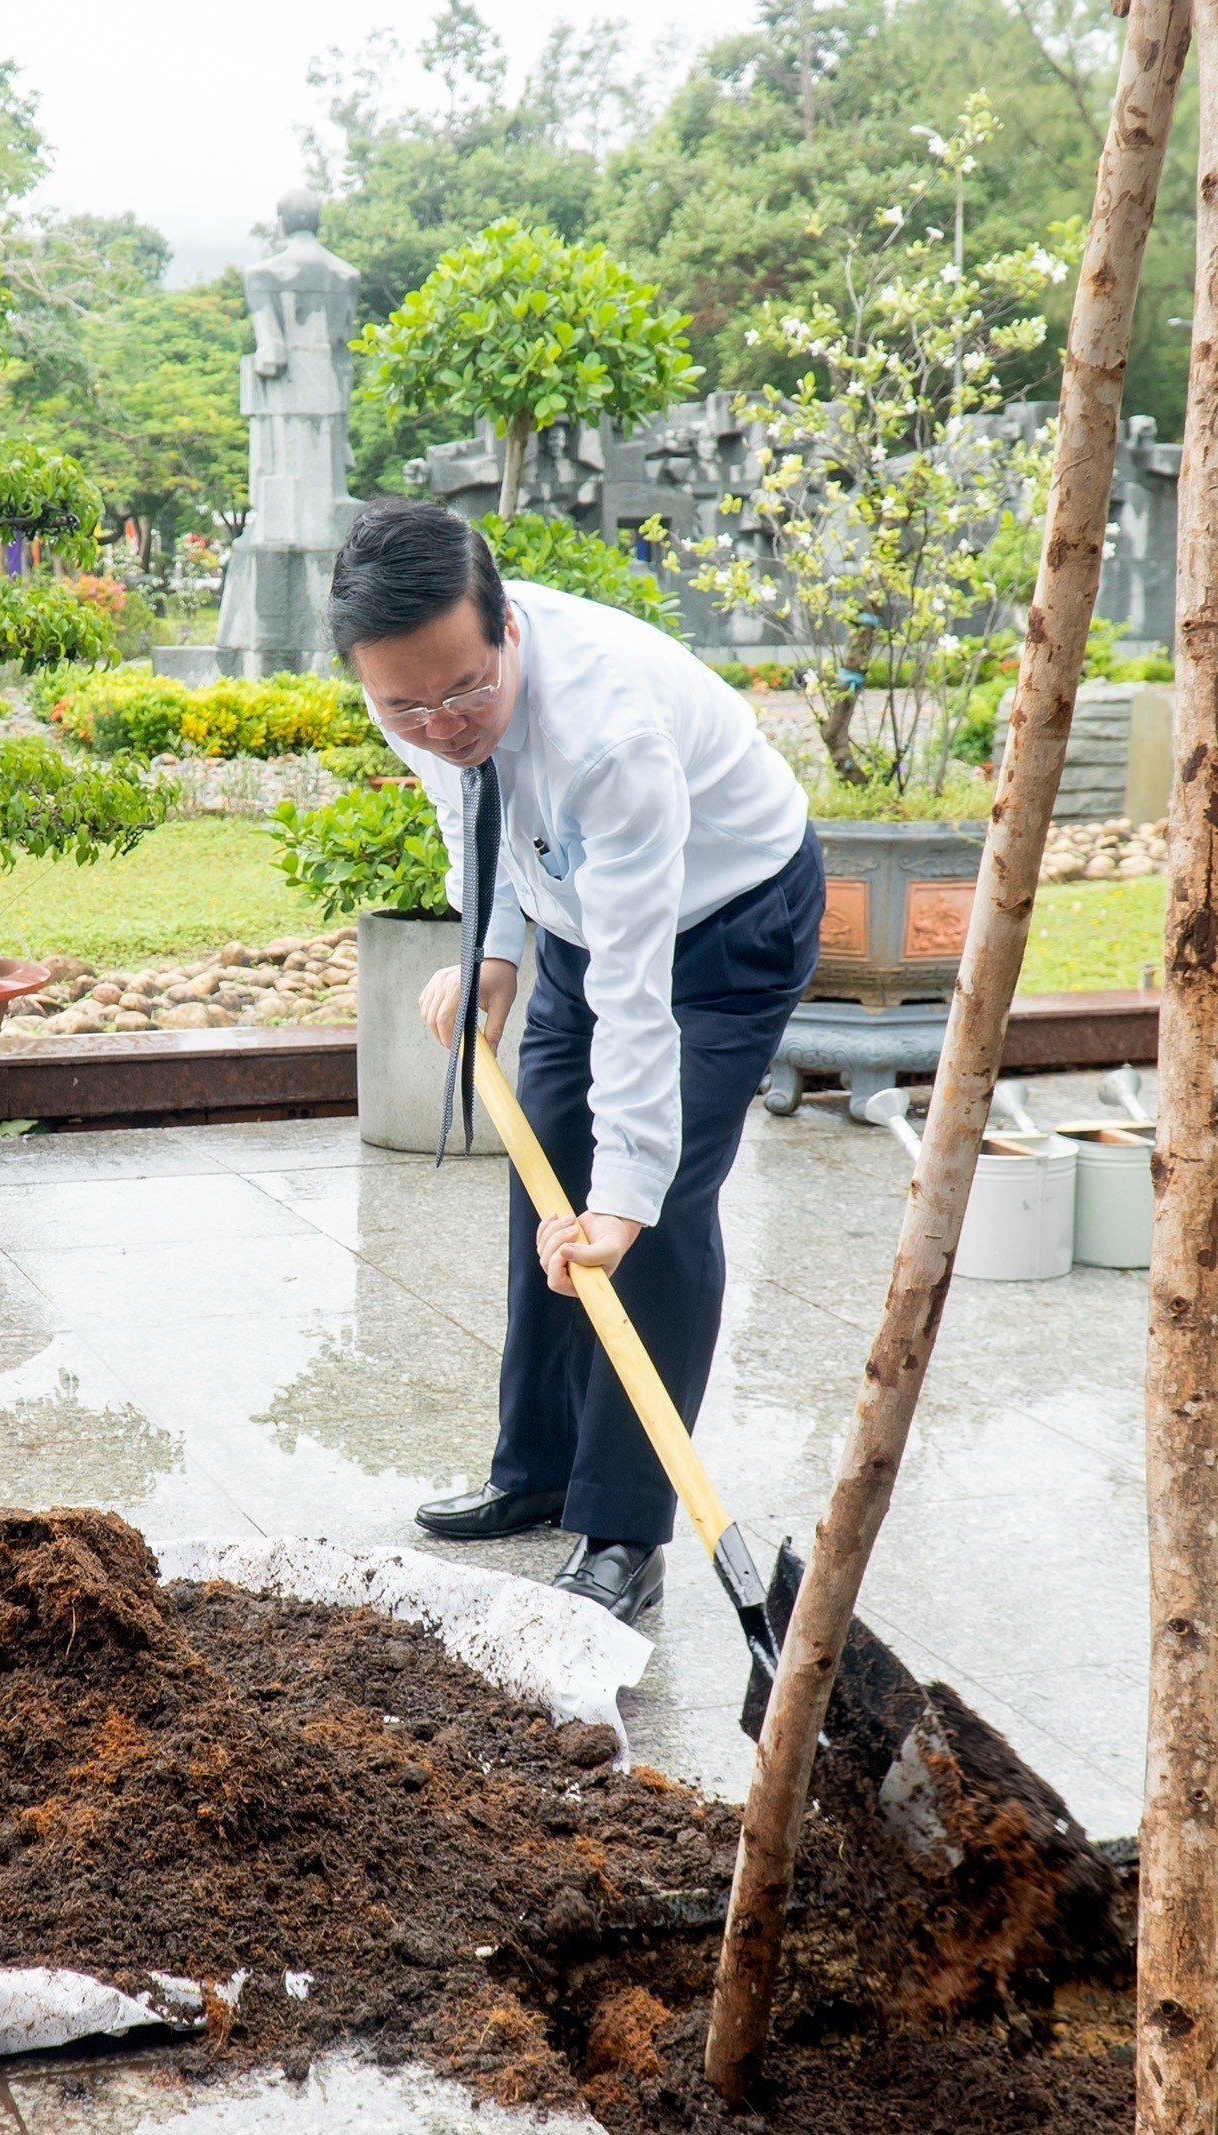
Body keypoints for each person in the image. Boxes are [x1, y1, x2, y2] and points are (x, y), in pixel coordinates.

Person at [339, 502, 820, 1621]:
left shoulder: (612, 732)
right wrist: (495, 945)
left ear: (508, 625)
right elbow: (476, 805)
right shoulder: (413, 690)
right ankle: (539, 1468)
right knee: (548, 1158)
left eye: (465, 690)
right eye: (404, 703)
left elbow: (638, 993)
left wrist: (629, 1186)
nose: (440, 719)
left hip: (724, 919)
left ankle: (622, 1527)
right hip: (571, 913)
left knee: (645, 1213)